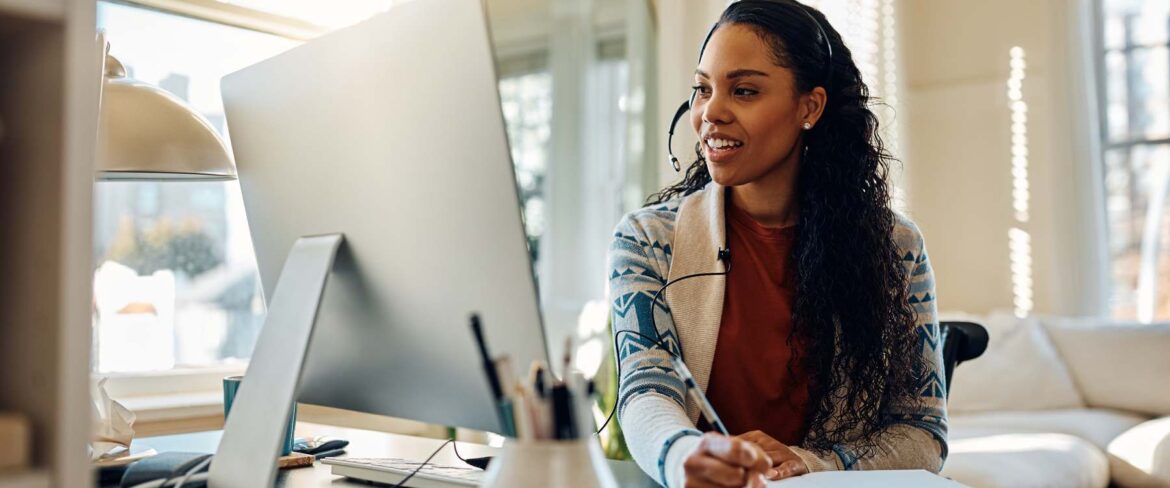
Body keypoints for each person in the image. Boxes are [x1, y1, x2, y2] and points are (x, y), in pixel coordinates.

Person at [607, 1, 947, 487]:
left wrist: (809, 462)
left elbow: (923, 432)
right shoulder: (648, 240)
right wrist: (685, 454)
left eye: (743, 91)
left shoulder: (896, 247)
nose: (710, 113)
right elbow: (646, 389)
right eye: (702, 89)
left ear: (809, 107)